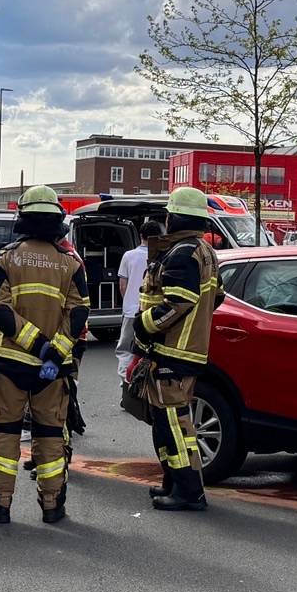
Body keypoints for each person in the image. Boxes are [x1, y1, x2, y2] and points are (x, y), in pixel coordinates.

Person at [0, 186, 90, 524]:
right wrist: (54, 352)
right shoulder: (71, 263)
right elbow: (79, 313)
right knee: (51, 435)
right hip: (51, 371)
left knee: (5, 432)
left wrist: (36, 345)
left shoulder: (6, 257)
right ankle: (52, 506)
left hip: (9, 364)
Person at [129, 187, 224, 512]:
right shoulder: (205, 251)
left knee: (174, 426)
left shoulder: (183, 253)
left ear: (175, 218)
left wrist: (144, 324)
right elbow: (217, 297)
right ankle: (173, 482)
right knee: (166, 423)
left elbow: (179, 302)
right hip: (184, 351)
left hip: (174, 352)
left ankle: (188, 492)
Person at [114, 220, 164, 379]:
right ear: (159, 236)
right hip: (153, 312)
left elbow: (123, 285)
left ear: (140, 235)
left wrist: (129, 301)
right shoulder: (162, 257)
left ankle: (125, 382)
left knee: (125, 350)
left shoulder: (128, 256)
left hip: (131, 311)